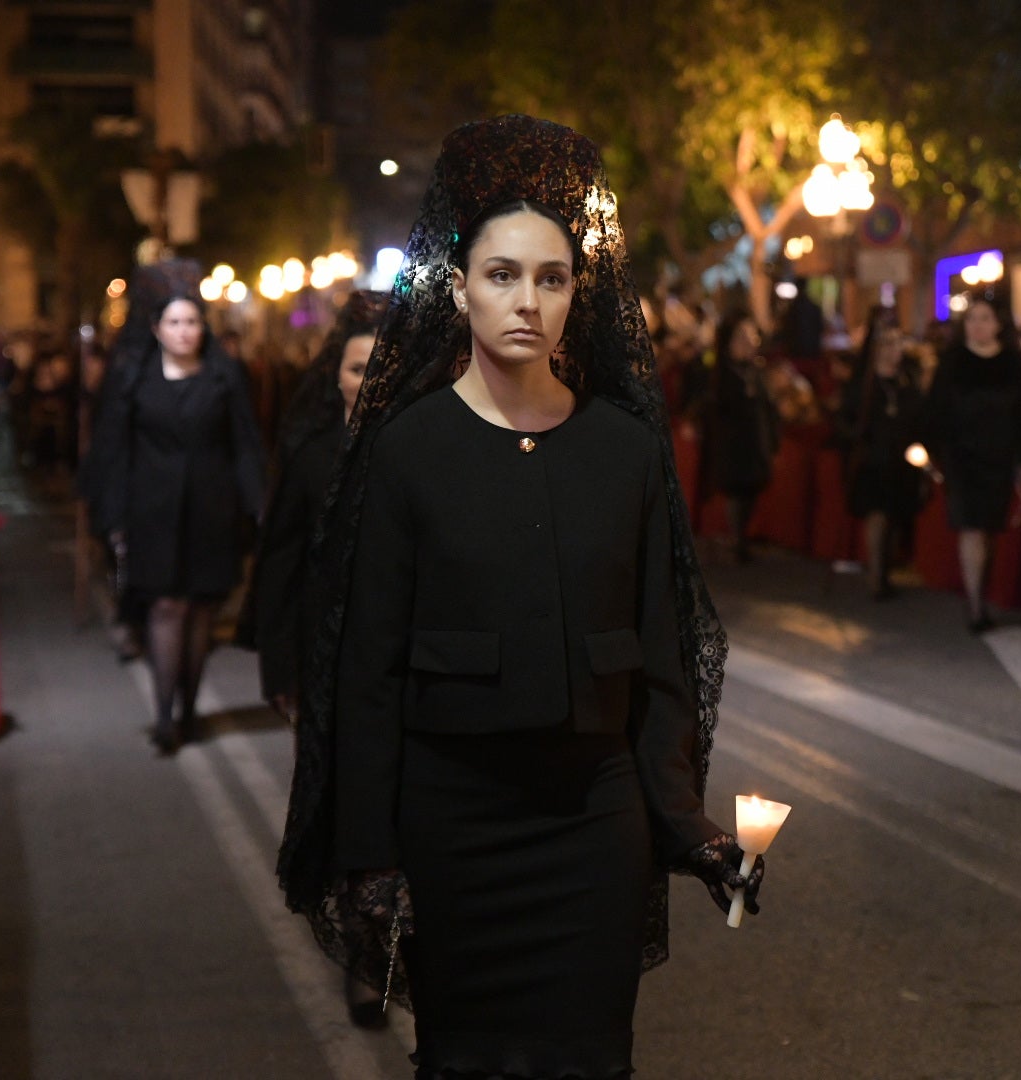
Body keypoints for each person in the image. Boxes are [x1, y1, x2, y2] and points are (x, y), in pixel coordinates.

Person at [276, 115, 762, 1080]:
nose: (527, 300)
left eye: (551, 277)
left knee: (592, 1063)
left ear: (581, 293)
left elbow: (664, 662)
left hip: (594, 832)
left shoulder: (624, 452)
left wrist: (691, 827)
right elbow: (366, 671)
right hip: (454, 828)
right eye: (502, 275)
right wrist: (371, 854)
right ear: (457, 290)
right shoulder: (408, 449)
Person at [240, 290, 387, 1027]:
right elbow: (282, 571)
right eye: (358, 367)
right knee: (352, 817)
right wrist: (283, 673)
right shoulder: (309, 455)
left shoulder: (428, 447)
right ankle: (365, 958)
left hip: (408, 669)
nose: (367, 380)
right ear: (338, 374)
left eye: (381, 366)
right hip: (329, 670)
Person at [83, 277, 265, 753]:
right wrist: (114, 513)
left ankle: (188, 708)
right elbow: (115, 450)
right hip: (152, 511)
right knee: (165, 606)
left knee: (201, 607)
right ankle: (165, 715)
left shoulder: (224, 377)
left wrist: (258, 507)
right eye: (175, 322)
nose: (184, 331)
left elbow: (245, 445)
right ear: (157, 329)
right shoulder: (134, 380)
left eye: (192, 322)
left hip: (212, 510)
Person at [925, 289, 1021, 633]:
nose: (977, 325)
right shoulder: (953, 361)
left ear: (999, 324)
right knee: (971, 528)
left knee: (989, 531)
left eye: (985, 318)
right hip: (963, 457)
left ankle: (983, 591)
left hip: (999, 456)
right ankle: (975, 605)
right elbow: (936, 409)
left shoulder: (1012, 363)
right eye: (971, 318)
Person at [839, 318, 926, 599]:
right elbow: (845, 419)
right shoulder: (863, 384)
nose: (893, 350)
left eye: (897, 343)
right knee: (877, 514)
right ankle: (876, 576)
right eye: (886, 344)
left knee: (896, 515)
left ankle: (886, 570)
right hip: (872, 458)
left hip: (901, 459)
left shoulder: (907, 381)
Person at [709, 310, 780, 562]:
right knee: (737, 492)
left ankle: (742, 538)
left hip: (755, 440)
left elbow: (767, 407)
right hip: (734, 443)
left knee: (751, 490)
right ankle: (737, 539)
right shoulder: (723, 374)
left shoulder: (755, 371)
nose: (750, 341)